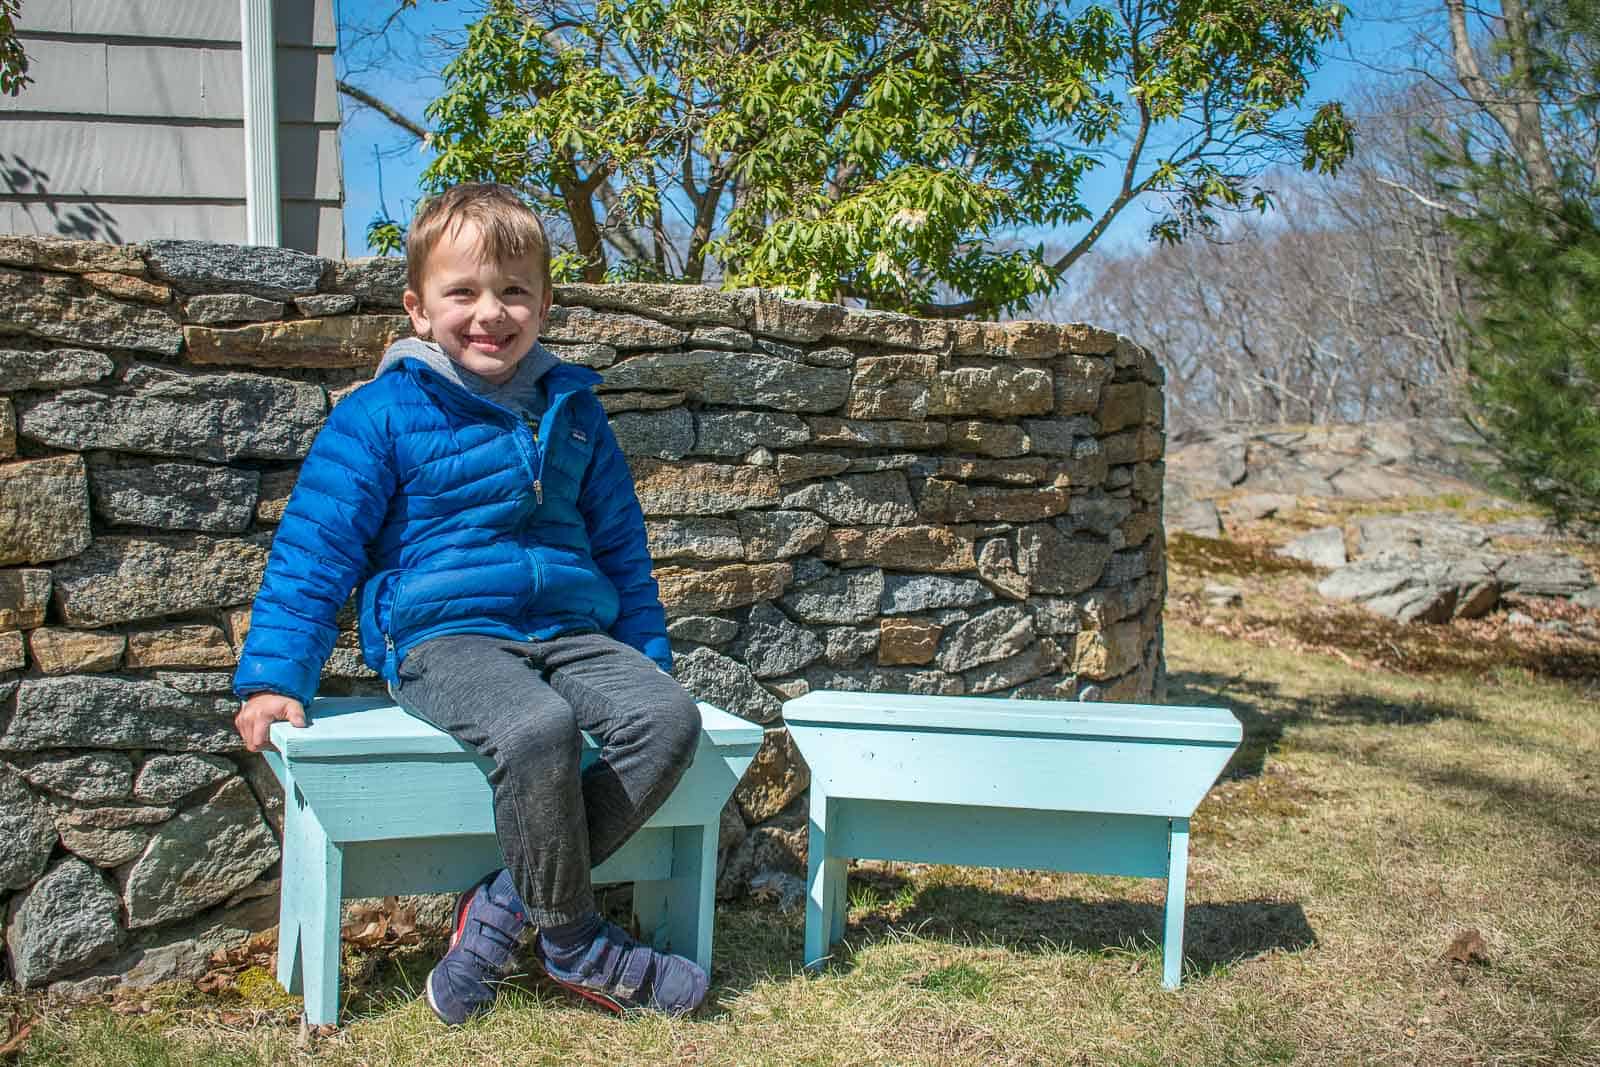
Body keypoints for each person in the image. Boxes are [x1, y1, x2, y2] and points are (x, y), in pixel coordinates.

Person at [230, 182, 708, 1024]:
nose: (491, 312)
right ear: (418, 309)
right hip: (443, 638)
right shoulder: (379, 415)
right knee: (536, 729)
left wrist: (646, 661)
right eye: (464, 292)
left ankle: (504, 910)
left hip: (568, 629)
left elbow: (622, 550)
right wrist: (275, 673)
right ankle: (574, 942)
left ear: (545, 304)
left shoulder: (576, 413)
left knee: (668, 718)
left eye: (514, 291)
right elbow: (315, 547)